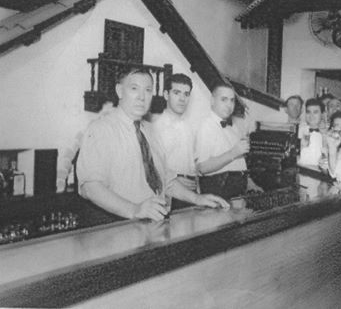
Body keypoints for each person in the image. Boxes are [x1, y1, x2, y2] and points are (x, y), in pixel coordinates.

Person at [77, 68, 229, 222]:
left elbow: (166, 180)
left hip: (151, 224)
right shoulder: (101, 129)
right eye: (134, 89)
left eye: (148, 90)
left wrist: (197, 199)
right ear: (120, 91)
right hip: (117, 225)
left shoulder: (150, 131)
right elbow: (90, 187)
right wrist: (135, 210)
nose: (142, 97)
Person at [195, 82, 250, 199]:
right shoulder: (206, 126)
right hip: (218, 192)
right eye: (224, 99)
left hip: (237, 191)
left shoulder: (232, 127)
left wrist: (252, 185)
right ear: (212, 101)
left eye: (232, 100)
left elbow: (239, 164)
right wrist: (234, 153)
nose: (229, 105)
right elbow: (202, 167)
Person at [152, 73, 197, 208]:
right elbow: (153, 167)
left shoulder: (189, 126)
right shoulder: (157, 127)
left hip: (191, 191)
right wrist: (175, 179)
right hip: (170, 194)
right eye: (177, 93)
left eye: (186, 94)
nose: (182, 99)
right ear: (166, 95)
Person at [297, 98, 325, 166]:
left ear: (322, 114)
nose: (311, 116)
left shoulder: (327, 133)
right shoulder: (299, 131)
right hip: (302, 170)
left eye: (315, 112)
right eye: (308, 112)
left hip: (320, 172)